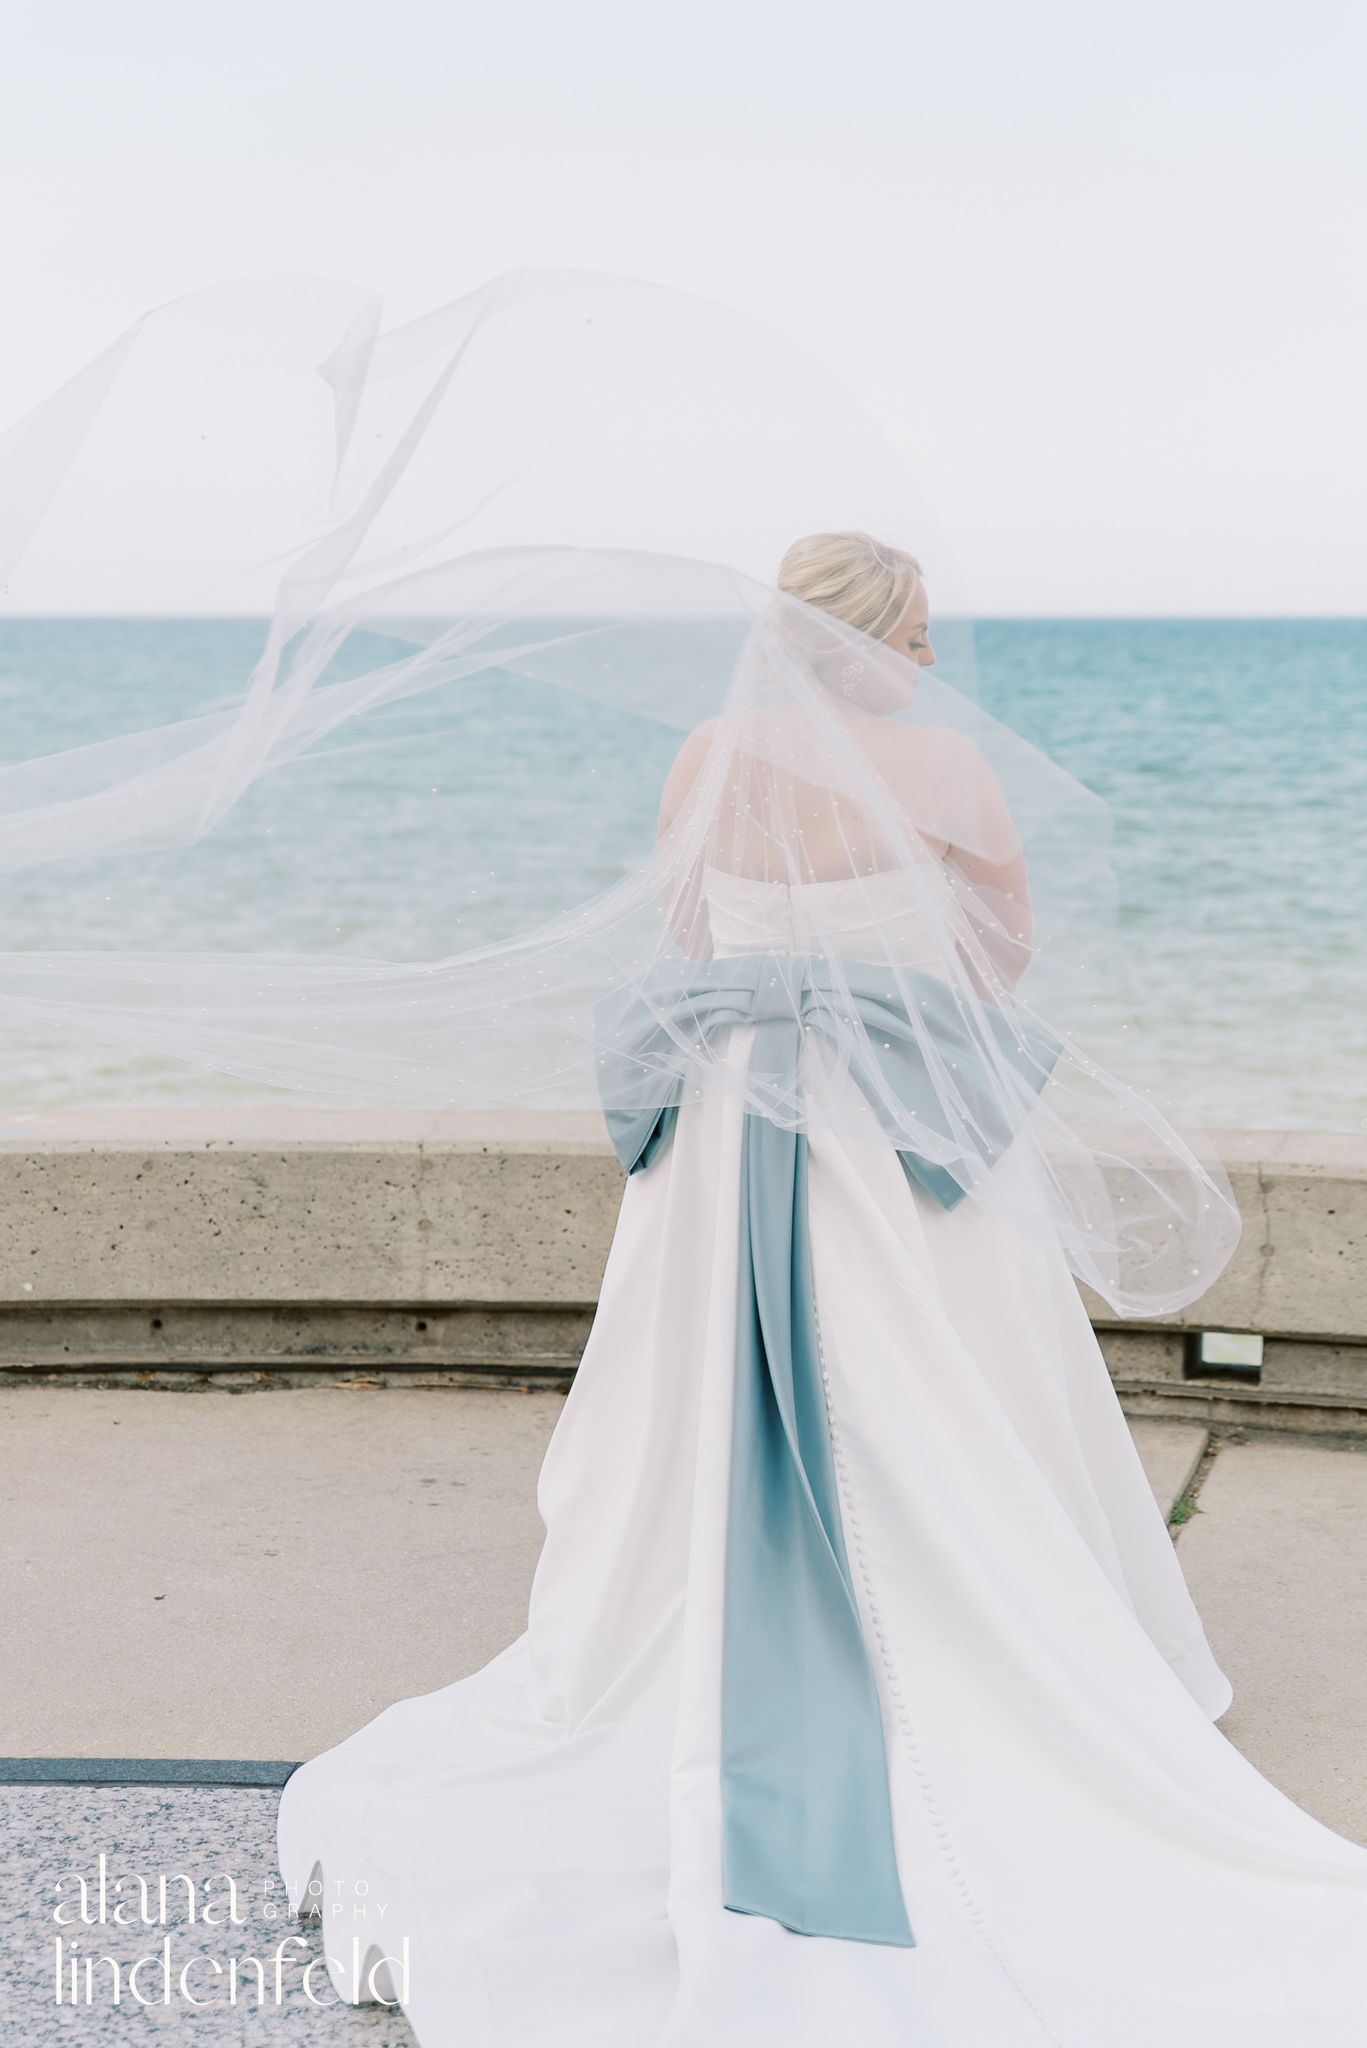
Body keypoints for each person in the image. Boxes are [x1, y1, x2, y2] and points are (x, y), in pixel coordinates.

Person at [278, 530, 1367, 2047]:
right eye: (915, 634)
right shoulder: (949, 773)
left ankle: (721, 1629)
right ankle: (990, 1636)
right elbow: (1003, 961)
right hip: (887, 1127)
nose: (928, 659)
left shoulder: (710, 754)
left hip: (733, 1129)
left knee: (697, 1394)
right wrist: (883, 966)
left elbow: (684, 935)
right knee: (952, 1386)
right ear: (870, 642)